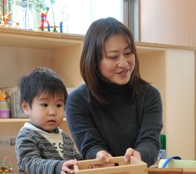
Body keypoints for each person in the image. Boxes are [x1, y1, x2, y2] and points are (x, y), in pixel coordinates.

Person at [65, 17, 162, 165]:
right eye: (113, 56)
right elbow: (90, 145)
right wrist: (100, 156)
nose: (123, 63)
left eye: (128, 53)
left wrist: (139, 155)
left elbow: (150, 141)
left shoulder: (150, 95)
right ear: (94, 60)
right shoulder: (77, 101)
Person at [15, 67, 81, 174]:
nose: (52, 112)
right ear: (26, 107)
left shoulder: (64, 137)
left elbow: (77, 160)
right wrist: (57, 167)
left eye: (59, 105)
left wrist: (89, 164)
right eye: (44, 105)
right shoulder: (27, 136)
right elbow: (30, 163)